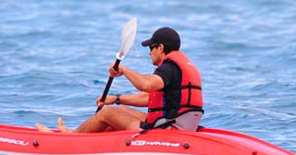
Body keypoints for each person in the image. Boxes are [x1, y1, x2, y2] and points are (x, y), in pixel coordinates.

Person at [36, 27, 204, 133]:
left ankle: (70, 137)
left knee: (107, 113)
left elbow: (147, 85)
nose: (149, 53)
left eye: (151, 48)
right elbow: (150, 97)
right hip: (176, 123)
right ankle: (90, 137)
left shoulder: (168, 68)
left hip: (169, 128)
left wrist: (123, 70)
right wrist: (116, 99)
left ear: (160, 47)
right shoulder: (177, 67)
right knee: (120, 110)